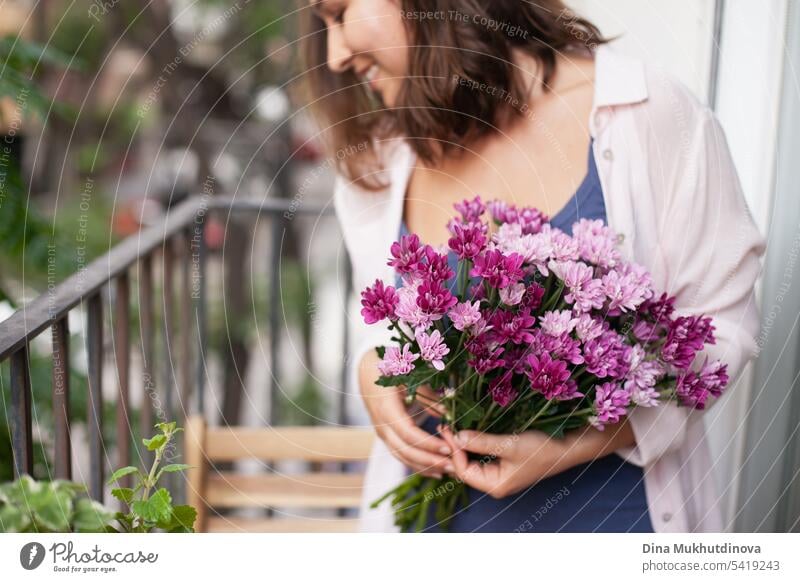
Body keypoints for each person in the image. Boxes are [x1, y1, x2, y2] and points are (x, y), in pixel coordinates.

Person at [300, 0, 766, 532]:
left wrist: (576, 441)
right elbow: (377, 328)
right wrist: (372, 369)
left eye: (339, 13)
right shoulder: (378, 165)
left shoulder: (648, 115)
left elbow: (723, 331)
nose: (334, 55)